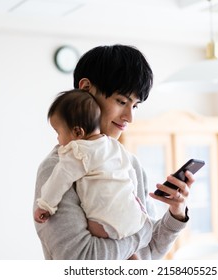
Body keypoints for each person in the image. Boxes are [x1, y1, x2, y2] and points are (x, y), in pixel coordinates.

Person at [33, 44, 195, 260]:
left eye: (135, 106)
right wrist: (142, 233)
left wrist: (177, 213)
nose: (130, 117)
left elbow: (150, 253)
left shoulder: (130, 162)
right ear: (86, 89)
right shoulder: (57, 168)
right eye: (121, 101)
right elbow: (81, 259)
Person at [34, 89, 146, 259]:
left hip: (105, 226)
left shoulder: (77, 152)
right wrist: (136, 208)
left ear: (78, 132)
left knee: (96, 228)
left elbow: (59, 180)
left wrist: (45, 205)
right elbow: (131, 178)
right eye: (122, 102)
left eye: (58, 133)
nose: (58, 139)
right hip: (135, 217)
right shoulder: (116, 148)